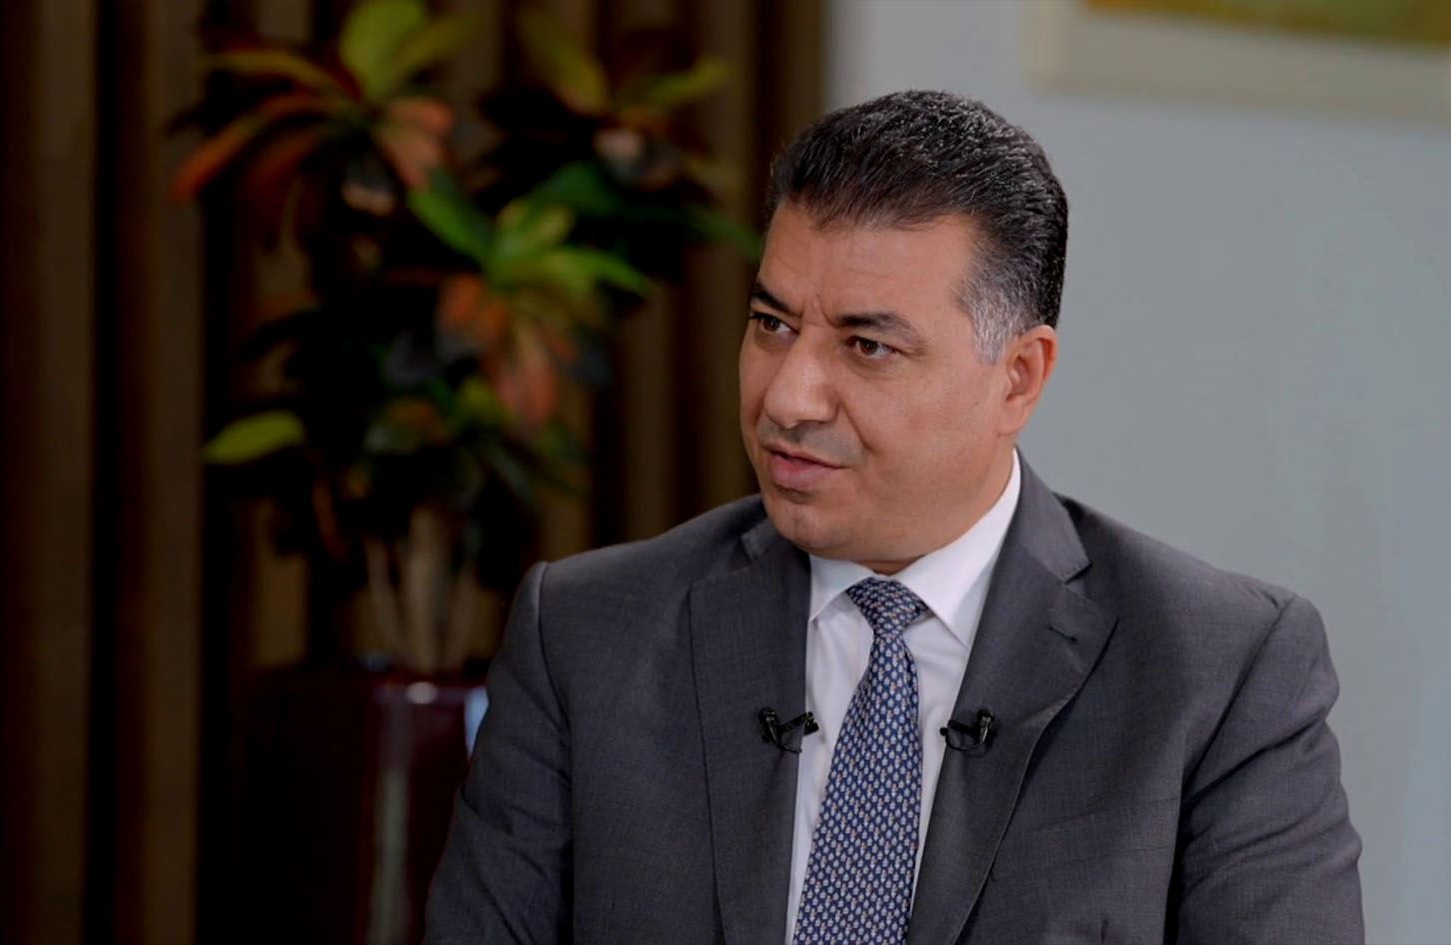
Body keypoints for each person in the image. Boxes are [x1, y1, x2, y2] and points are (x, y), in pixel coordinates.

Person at [424, 90, 1363, 945]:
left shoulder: (1221, 673)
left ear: (1017, 377)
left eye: (867, 346)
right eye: (772, 324)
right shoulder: (584, 636)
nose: (788, 398)